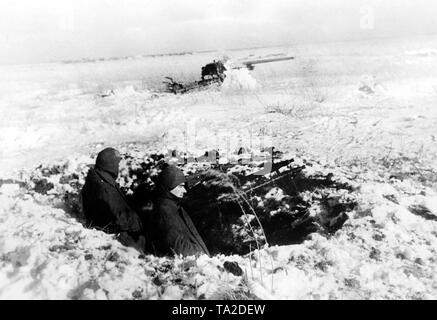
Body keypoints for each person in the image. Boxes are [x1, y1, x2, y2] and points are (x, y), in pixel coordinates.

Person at [81, 147, 145, 251]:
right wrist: (141, 217)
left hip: (108, 229)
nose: (119, 167)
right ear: (110, 164)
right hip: (115, 237)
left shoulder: (99, 178)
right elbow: (120, 217)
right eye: (117, 163)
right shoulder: (104, 188)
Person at [148, 164, 210, 257]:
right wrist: (201, 257)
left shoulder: (173, 206)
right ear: (169, 185)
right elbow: (178, 247)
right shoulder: (165, 210)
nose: (185, 190)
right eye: (180, 186)